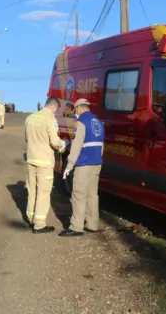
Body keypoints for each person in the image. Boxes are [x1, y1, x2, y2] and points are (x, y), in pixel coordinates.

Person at [60, 98, 105, 237]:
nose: (76, 113)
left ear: (79, 108)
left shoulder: (80, 123)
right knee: (92, 195)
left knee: (78, 194)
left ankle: (76, 227)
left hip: (84, 163)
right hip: (96, 163)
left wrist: (69, 165)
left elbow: (76, 146)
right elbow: (102, 145)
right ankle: (92, 224)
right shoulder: (98, 122)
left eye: (75, 110)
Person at [24, 97, 68, 234]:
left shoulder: (30, 118)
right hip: (44, 162)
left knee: (32, 191)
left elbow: (27, 138)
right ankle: (39, 224)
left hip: (31, 159)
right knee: (43, 192)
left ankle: (30, 217)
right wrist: (64, 145)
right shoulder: (50, 120)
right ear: (55, 107)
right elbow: (55, 142)